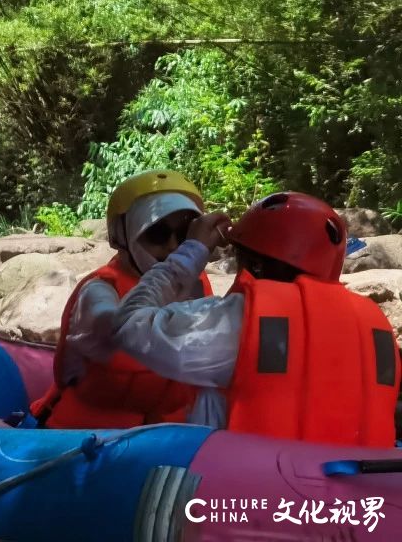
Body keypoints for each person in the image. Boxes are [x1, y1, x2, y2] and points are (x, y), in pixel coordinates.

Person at [108, 191, 398, 446]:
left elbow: (129, 323)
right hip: (350, 499)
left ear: (254, 265)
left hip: (254, 491)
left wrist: (190, 252)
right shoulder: (376, 326)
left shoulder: (239, 319)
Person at [31, 170, 216, 429]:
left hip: (165, 431)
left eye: (185, 234)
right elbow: (124, 327)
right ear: (123, 238)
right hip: (88, 438)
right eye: (157, 234)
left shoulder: (196, 282)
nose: (174, 246)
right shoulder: (99, 290)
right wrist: (180, 268)